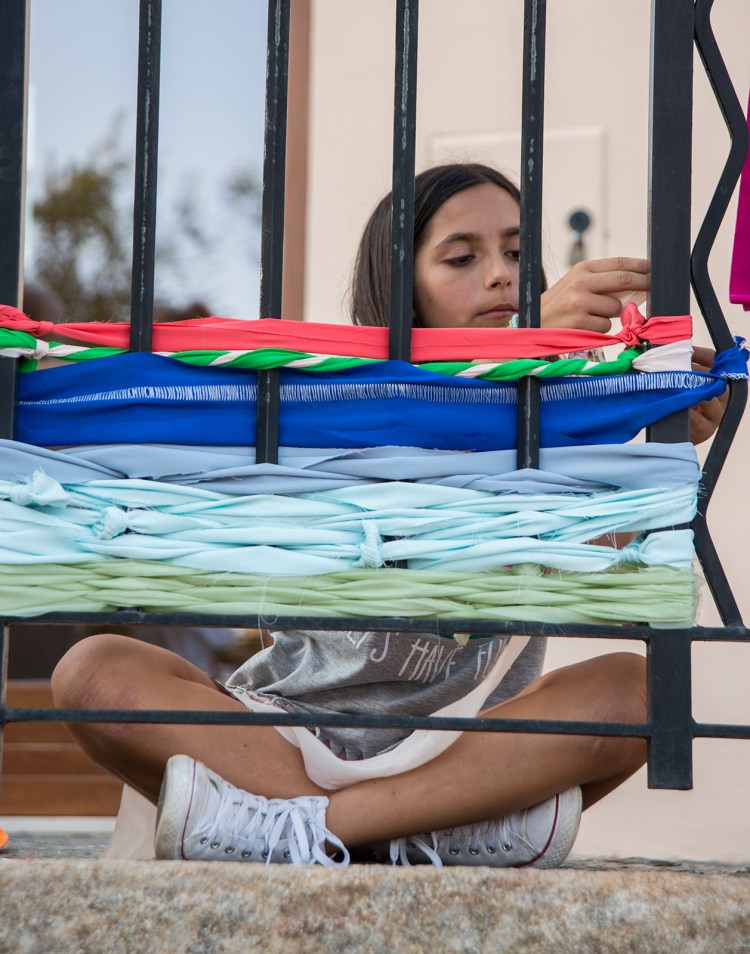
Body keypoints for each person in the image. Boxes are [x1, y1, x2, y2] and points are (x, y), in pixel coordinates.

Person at [52, 163, 686, 869]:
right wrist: (516, 355)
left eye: (515, 253)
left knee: (639, 687)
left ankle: (317, 832)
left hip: (467, 749)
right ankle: (425, 833)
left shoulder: (560, 433)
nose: (502, 276)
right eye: (462, 257)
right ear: (400, 284)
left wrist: (665, 437)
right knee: (93, 669)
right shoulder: (341, 399)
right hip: (286, 739)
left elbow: (598, 559)